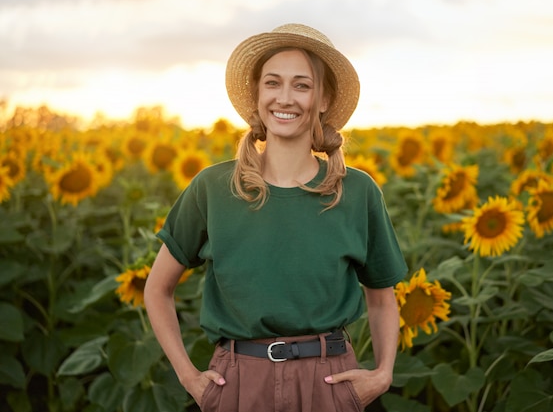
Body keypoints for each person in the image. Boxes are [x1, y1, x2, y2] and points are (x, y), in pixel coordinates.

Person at [144, 23, 408, 412]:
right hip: (239, 383)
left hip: (330, 382)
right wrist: (190, 378)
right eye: (273, 83)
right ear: (257, 94)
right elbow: (157, 289)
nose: (286, 98)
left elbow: (382, 300)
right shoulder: (212, 188)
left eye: (302, 85)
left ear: (323, 98)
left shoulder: (357, 191)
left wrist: (383, 373)